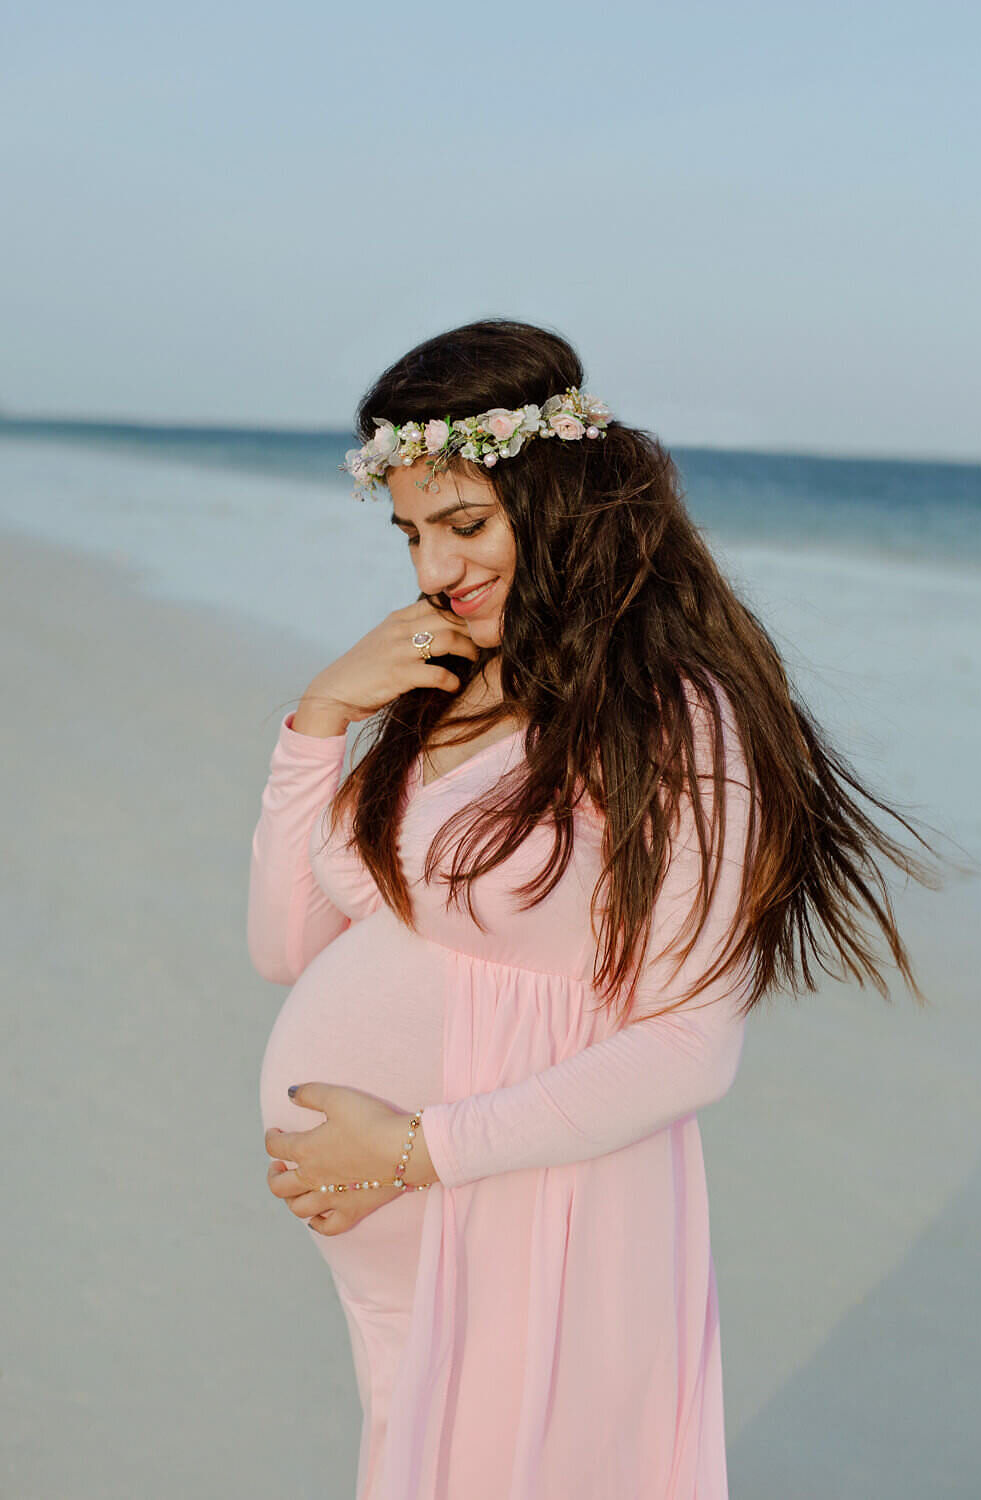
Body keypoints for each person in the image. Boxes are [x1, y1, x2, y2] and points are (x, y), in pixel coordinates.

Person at [247, 318, 943, 1499]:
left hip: (526, 1211)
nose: (430, 570)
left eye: (464, 524)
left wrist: (418, 1151)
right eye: (410, 532)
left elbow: (686, 1047)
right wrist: (318, 716)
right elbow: (283, 948)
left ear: (561, 495)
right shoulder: (443, 691)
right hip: (407, 1246)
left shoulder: (681, 724)